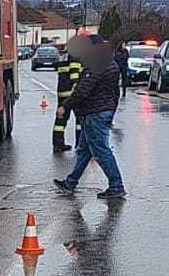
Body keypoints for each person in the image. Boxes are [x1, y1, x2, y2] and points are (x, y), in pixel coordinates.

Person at [54, 34, 126, 199]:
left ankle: (116, 185)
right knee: (84, 151)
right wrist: (111, 110)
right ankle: (70, 183)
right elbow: (115, 92)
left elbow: (83, 90)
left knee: (101, 151)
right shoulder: (111, 62)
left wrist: (65, 106)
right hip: (102, 111)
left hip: (95, 113)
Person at [52, 49, 83, 151]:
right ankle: (80, 145)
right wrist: (77, 90)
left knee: (60, 119)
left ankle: (58, 144)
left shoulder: (63, 55)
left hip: (62, 92)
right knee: (80, 119)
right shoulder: (76, 54)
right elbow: (74, 73)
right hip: (72, 93)